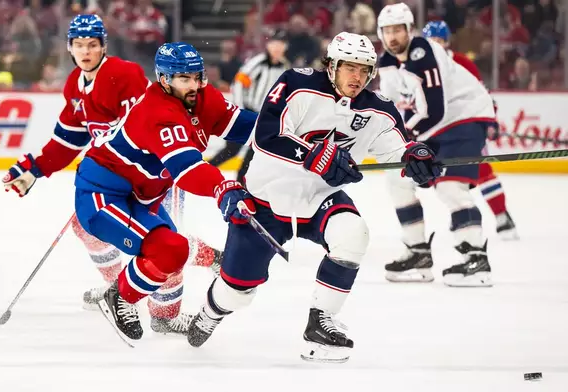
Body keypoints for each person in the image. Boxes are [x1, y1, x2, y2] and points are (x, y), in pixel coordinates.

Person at [185, 32, 441, 363]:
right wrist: (314, 156)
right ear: (332, 65)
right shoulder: (296, 83)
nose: (358, 77)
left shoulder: (379, 109)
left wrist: (415, 156)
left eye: (365, 70)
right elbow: (266, 134)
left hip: (320, 198)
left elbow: (398, 145)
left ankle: (320, 323)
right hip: (265, 199)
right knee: (237, 292)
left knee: (352, 233)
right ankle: (210, 312)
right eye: (350, 68)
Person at [2, 15, 221, 335]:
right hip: (119, 177)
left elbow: (141, 124)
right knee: (87, 226)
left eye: (92, 45)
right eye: (78, 45)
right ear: (70, 48)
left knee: (166, 242)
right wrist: (35, 168)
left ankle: (166, 313)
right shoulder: (76, 84)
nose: (86, 51)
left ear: (103, 46)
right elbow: (68, 138)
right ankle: (118, 290)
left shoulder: (124, 74)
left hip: (155, 173)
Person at [73, 42, 258, 346]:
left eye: (198, 76)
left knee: (174, 254)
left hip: (143, 196)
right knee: (168, 250)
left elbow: (246, 127)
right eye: (184, 79)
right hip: (102, 195)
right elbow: (186, 169)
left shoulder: (202, 97)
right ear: (164, 80)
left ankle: (164, 316)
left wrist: (290, 130)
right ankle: (119, 294)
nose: (195, 85)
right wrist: (222, 186)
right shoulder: (158, 111)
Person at [376, 3, 497, 287]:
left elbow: (435, 110)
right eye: (387, 31)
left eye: (398, 30)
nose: (393, 37)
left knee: (450, 187)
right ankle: (418, 253)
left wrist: (407, 139)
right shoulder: (387, 63)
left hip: (463, 118)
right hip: (432, 126)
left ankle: (476, 260)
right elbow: (393, 110)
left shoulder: (425, 52)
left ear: (409, 30)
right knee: (398, 178)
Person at [422, 20, 519, 240]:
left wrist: (489, 121)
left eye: (439, 41)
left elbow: (481, 95)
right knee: (447, 178)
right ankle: (461, 214)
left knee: (483, 172)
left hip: (465, 128)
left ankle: (502, 217)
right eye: (431, 41)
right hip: (438, 133)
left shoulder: (462, 63)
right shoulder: (421, 67)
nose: (435, 45)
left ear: (446, 42)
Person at [209, 30, 291, 182]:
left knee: (254, 152)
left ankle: (241, 181)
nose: (277, 48)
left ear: (285, 47)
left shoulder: (284, 67)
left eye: (280, 45)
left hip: (263, 116)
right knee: (232, 149)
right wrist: (240, 108)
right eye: (274, 44)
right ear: (268, 45)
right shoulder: (258, 62)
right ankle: (206, 171)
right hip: (247, 111)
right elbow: (239, 82)